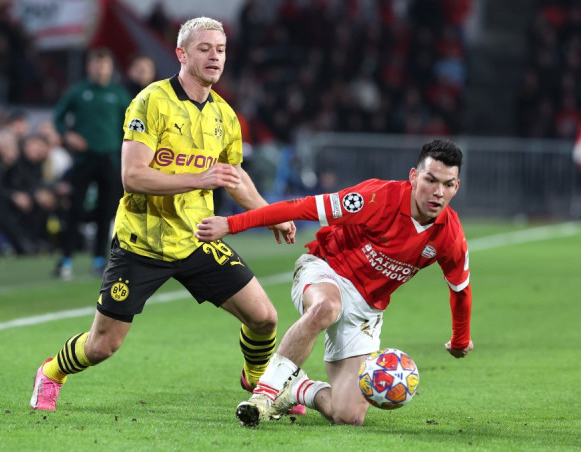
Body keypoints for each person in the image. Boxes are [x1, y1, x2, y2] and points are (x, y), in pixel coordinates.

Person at [30, 17, 302, 416]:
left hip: (196, 238)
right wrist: (199, 178)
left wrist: (268, 213)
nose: (214, 57)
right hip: (142, 243)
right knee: (102, 346)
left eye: (221, 50)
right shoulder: (151, 101)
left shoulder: (225, 115)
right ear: (181, 54)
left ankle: (260, 383)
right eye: (204, 48)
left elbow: (233, 176)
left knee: (264, 317)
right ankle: (51, 372)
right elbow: (132, 176)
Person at [195, 138, 475, 426]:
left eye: (448, 184)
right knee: (327, 306)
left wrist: (460, 340)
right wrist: (231, 224)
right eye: (430, 180)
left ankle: (298, 389)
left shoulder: (450, 235)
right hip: (327, 269)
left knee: (348, 416)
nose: (438, 192)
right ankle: (264, 396)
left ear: (456, 186)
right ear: (414, 177)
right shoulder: (377, 198)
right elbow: (302, 207)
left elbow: (460, 290)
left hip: (366, 309)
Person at [53, 47, 132, 279]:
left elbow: (131, 125)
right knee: (74, 209)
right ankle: (66, 258)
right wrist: (68, 136)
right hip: (84, 158)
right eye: (97, 65)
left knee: (106, 211)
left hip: (110, 159)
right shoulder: (78, 92)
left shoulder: (119, 95)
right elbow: (58, 118)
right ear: (89, 67)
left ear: (110, 68)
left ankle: (99, 259)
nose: (100, 70)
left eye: (104, 65)